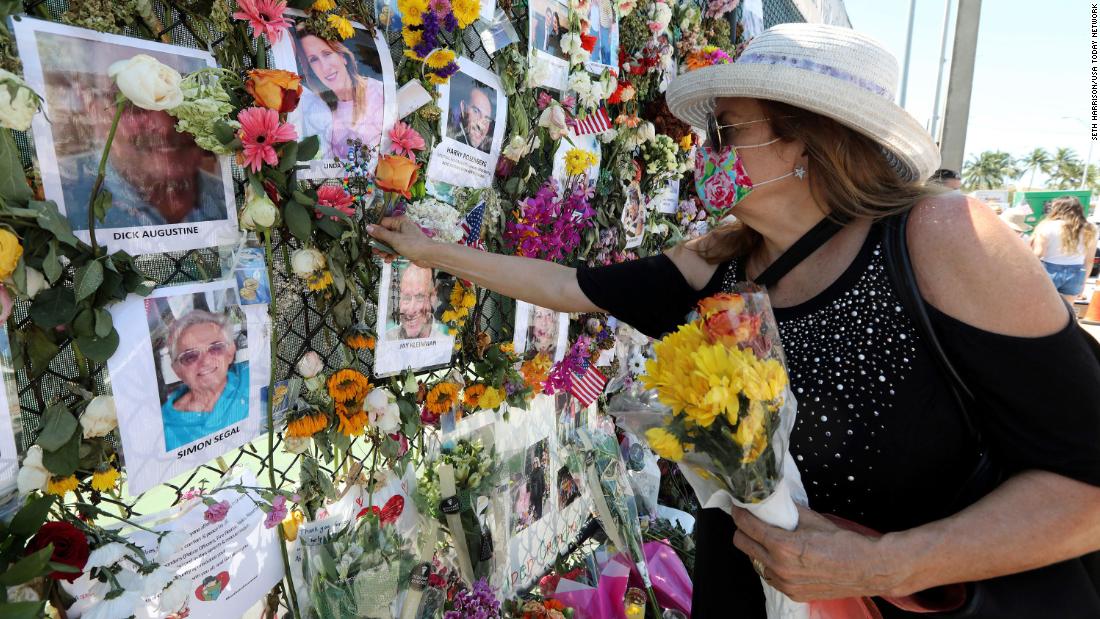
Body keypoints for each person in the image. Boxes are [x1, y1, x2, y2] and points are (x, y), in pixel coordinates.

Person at [368, 23, 1100, 617]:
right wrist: (431, 250)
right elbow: (569, 284)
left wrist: (888, 563)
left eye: (725, 132)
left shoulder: (941, 239)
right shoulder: (721, 260)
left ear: (807, 142)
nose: (702, 151)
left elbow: (1086, 483)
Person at [51, 44, 227, 230]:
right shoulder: (64, 206)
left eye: (186, 99)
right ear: (93, 109)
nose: (165, 126)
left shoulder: (230, 199)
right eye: (130, 103)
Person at [161, 310, 249, 451]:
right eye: (190, 356)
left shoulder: (249, 375)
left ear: (230, 352)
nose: (205, 361)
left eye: (215, 348)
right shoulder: (162, 427)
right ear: (177, 370)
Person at [293, 25, 385, 160]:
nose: (325, 67)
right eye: (314, 60)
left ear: (342, 56)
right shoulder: (317, 110)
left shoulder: (378, 91)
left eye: (327, 54)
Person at [1031, 196, 1097, 303]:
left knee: (1043, 307)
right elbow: (1089, 260)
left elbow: (1038, 253)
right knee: (1067, 310)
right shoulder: (1090, 228)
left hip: (1049, 270)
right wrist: (1083, 283)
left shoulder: (1047, 226)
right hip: (1076, 273)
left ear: (1057, 209)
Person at [386, 263, 446, 340]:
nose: (411, 310)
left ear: (433, 298)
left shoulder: (446, 342)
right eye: (406, 298)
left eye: (419, 297)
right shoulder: (386, 339)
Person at [447, 81, 494, 153]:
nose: (481, 125)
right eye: (476, 111)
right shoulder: (448, 139)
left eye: (487, 119)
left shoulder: (485, 154)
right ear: (463, 107)